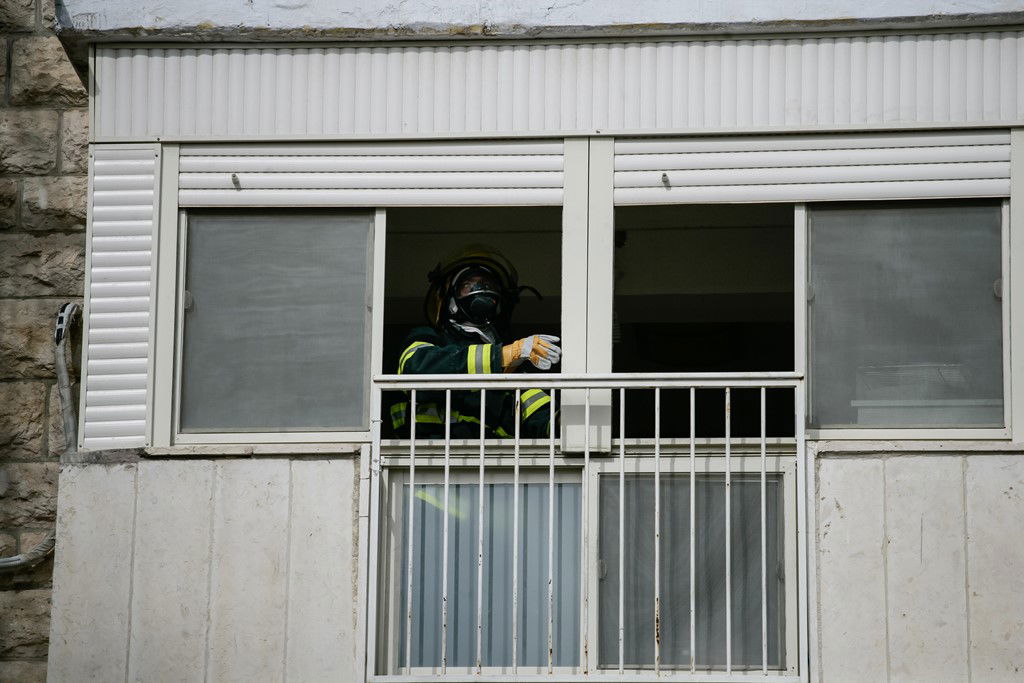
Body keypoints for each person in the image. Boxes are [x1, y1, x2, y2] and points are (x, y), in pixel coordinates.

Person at [389, 245, 560, 439]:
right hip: (425, 460)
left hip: (493, 464)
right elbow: (417, 370)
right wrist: (501, 356)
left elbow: (539, 414)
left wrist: (566, 425)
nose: (482, 289)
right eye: (469, 284)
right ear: (449, 297)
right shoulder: (429, 337)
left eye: (489, 284)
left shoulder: (512, 364)